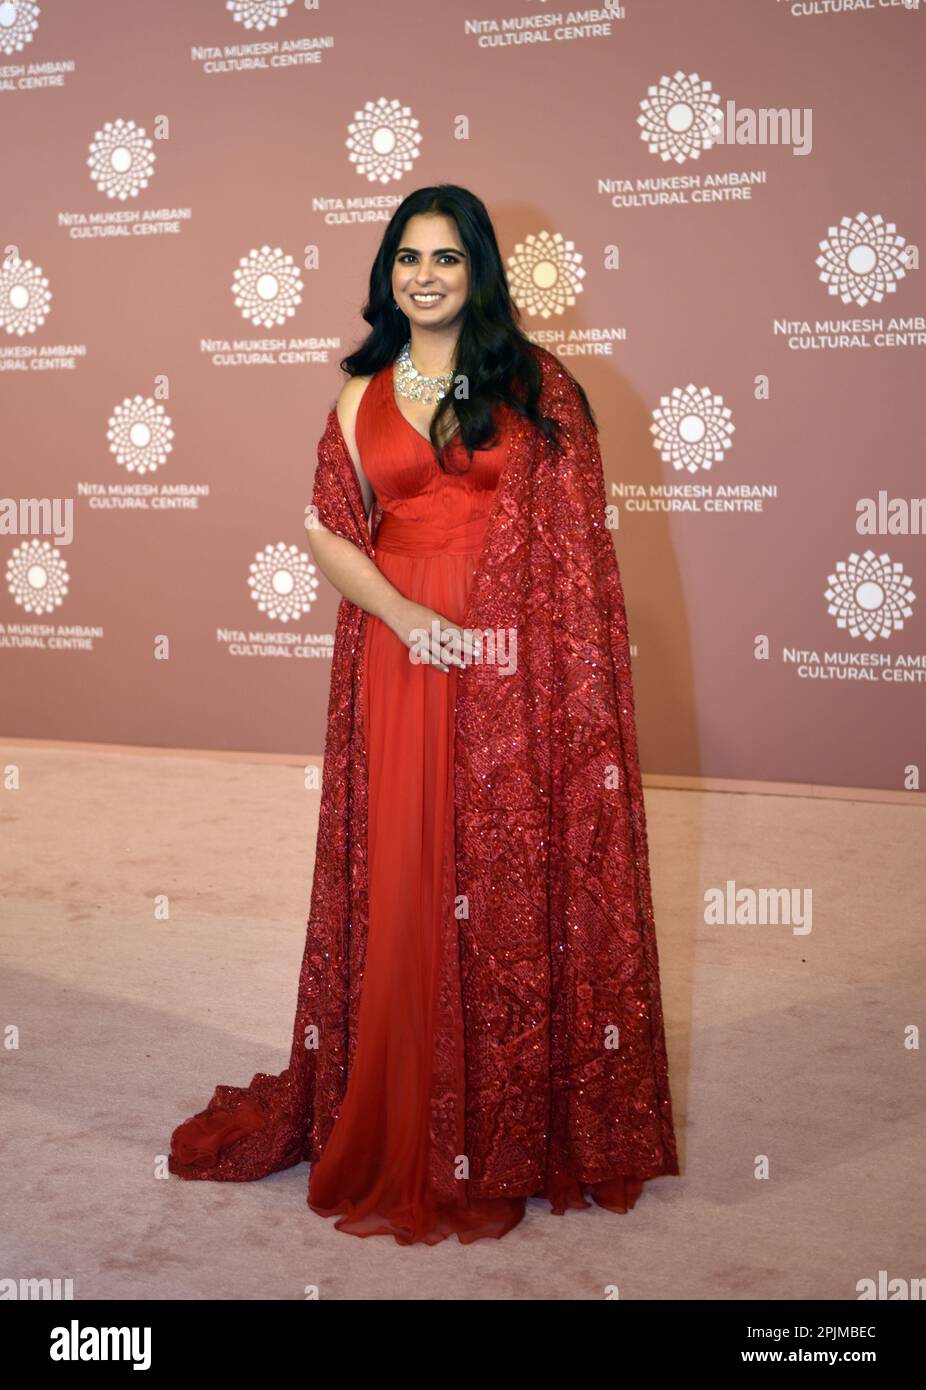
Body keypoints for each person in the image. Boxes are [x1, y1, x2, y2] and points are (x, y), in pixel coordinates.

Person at [167, 184, 680, 1245]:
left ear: (477, 271)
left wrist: (523, 659)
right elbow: (328, 530)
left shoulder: (540, 389)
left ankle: (506, 1122)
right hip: (400, 657)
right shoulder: (358, 395)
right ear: (386, 272)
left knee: (498, 881)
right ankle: (400, 1112)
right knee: (405, 879)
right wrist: (403, 616)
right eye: (407, 257)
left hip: (515, 668)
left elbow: (576, 557)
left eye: (446, 258)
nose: (425, 276)